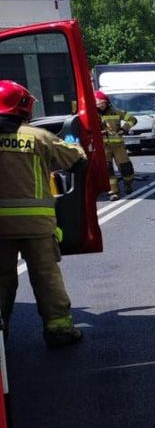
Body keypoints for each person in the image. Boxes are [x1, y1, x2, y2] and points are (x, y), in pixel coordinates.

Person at [0, 80, 85, 347]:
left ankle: (1, 335)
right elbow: (77, 161)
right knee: (46, 277)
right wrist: (75, 143)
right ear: (23, 107)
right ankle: (59, 330)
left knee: (1, 280)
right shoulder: (38, 137)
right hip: (37, 225)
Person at [94, 89, 137, 200]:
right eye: (98, 105)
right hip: (104, 147)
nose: (101, 106)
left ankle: (128, 184)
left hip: (118, 146)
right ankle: (114, 191)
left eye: (102, 104)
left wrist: (124, 129)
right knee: (108, 170)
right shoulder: (94, 115)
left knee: (125, 167)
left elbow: (132, 119)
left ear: (106, 102)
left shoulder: (116, 111)